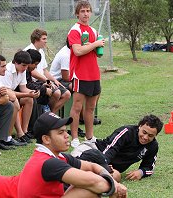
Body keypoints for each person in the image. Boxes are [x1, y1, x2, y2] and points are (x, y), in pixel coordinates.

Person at [72, 114, 163, 182]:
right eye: (144, 132)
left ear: (156, 135)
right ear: (139, 126)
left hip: (108, 167)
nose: (145, 137)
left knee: (116, 176)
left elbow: (149, 167)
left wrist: (141, 172)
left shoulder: (153, 146)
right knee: (72, 168)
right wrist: (104, 165)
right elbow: (111, 149)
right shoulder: (126, 132)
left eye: (150, 135)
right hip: (92, 150)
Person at [67, 0, 105, 148]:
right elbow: (77, 51)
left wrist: (97, 46)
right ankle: (75, 138)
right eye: (82, 11)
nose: (86, 14)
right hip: (80, 74)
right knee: (77, 107)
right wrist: (94, 45)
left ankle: (90, 137)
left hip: (93, 73)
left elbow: (97, 55)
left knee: (90, 108)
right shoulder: (75, 30)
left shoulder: (94, 31)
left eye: (88, 11)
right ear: (77, 13)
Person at [24, 29, 71, 113]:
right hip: (33, 82)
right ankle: (48, 116)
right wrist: (47, 81)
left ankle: (51, 115)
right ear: (36, 39)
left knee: (67, 94)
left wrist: (55, 80)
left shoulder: (41, 51)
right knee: (57, 93)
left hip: (42, 80)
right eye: (44, 39)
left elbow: (44, 70)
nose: (46, 41)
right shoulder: (29, 51)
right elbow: (32, 71)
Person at [0, 50, 40, 143]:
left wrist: (33, 92)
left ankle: (24, 131)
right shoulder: (8, 71)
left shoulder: (22, 70)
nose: (25, 68)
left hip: (11, 95)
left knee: (29, 99)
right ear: (16, 63)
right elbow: (8, 92)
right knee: (15, 102)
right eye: (24, 65)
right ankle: (18, 133)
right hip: (3, 96)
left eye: (26, 65)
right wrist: (28, 94)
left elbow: (23, 88)